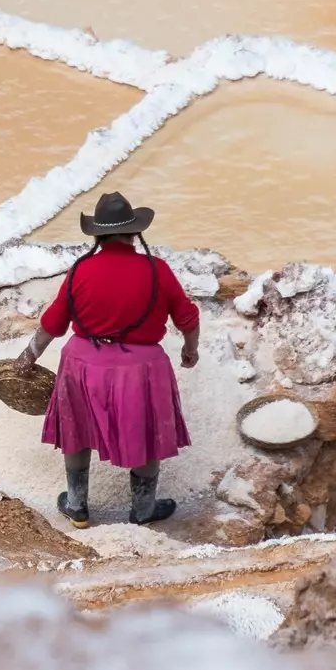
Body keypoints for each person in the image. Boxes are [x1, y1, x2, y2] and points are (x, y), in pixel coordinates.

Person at [14, 191, 199, 528]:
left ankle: (77, 506)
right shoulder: (157, 270)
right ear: (134, 232)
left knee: (76, 432)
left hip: (82, 363)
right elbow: (187, 317)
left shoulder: (81, 270)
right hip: (141, 368)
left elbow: (53, 322)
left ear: (97, 234)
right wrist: (191, 349)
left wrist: (29, 355)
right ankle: (142, 510)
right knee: (145, 437)